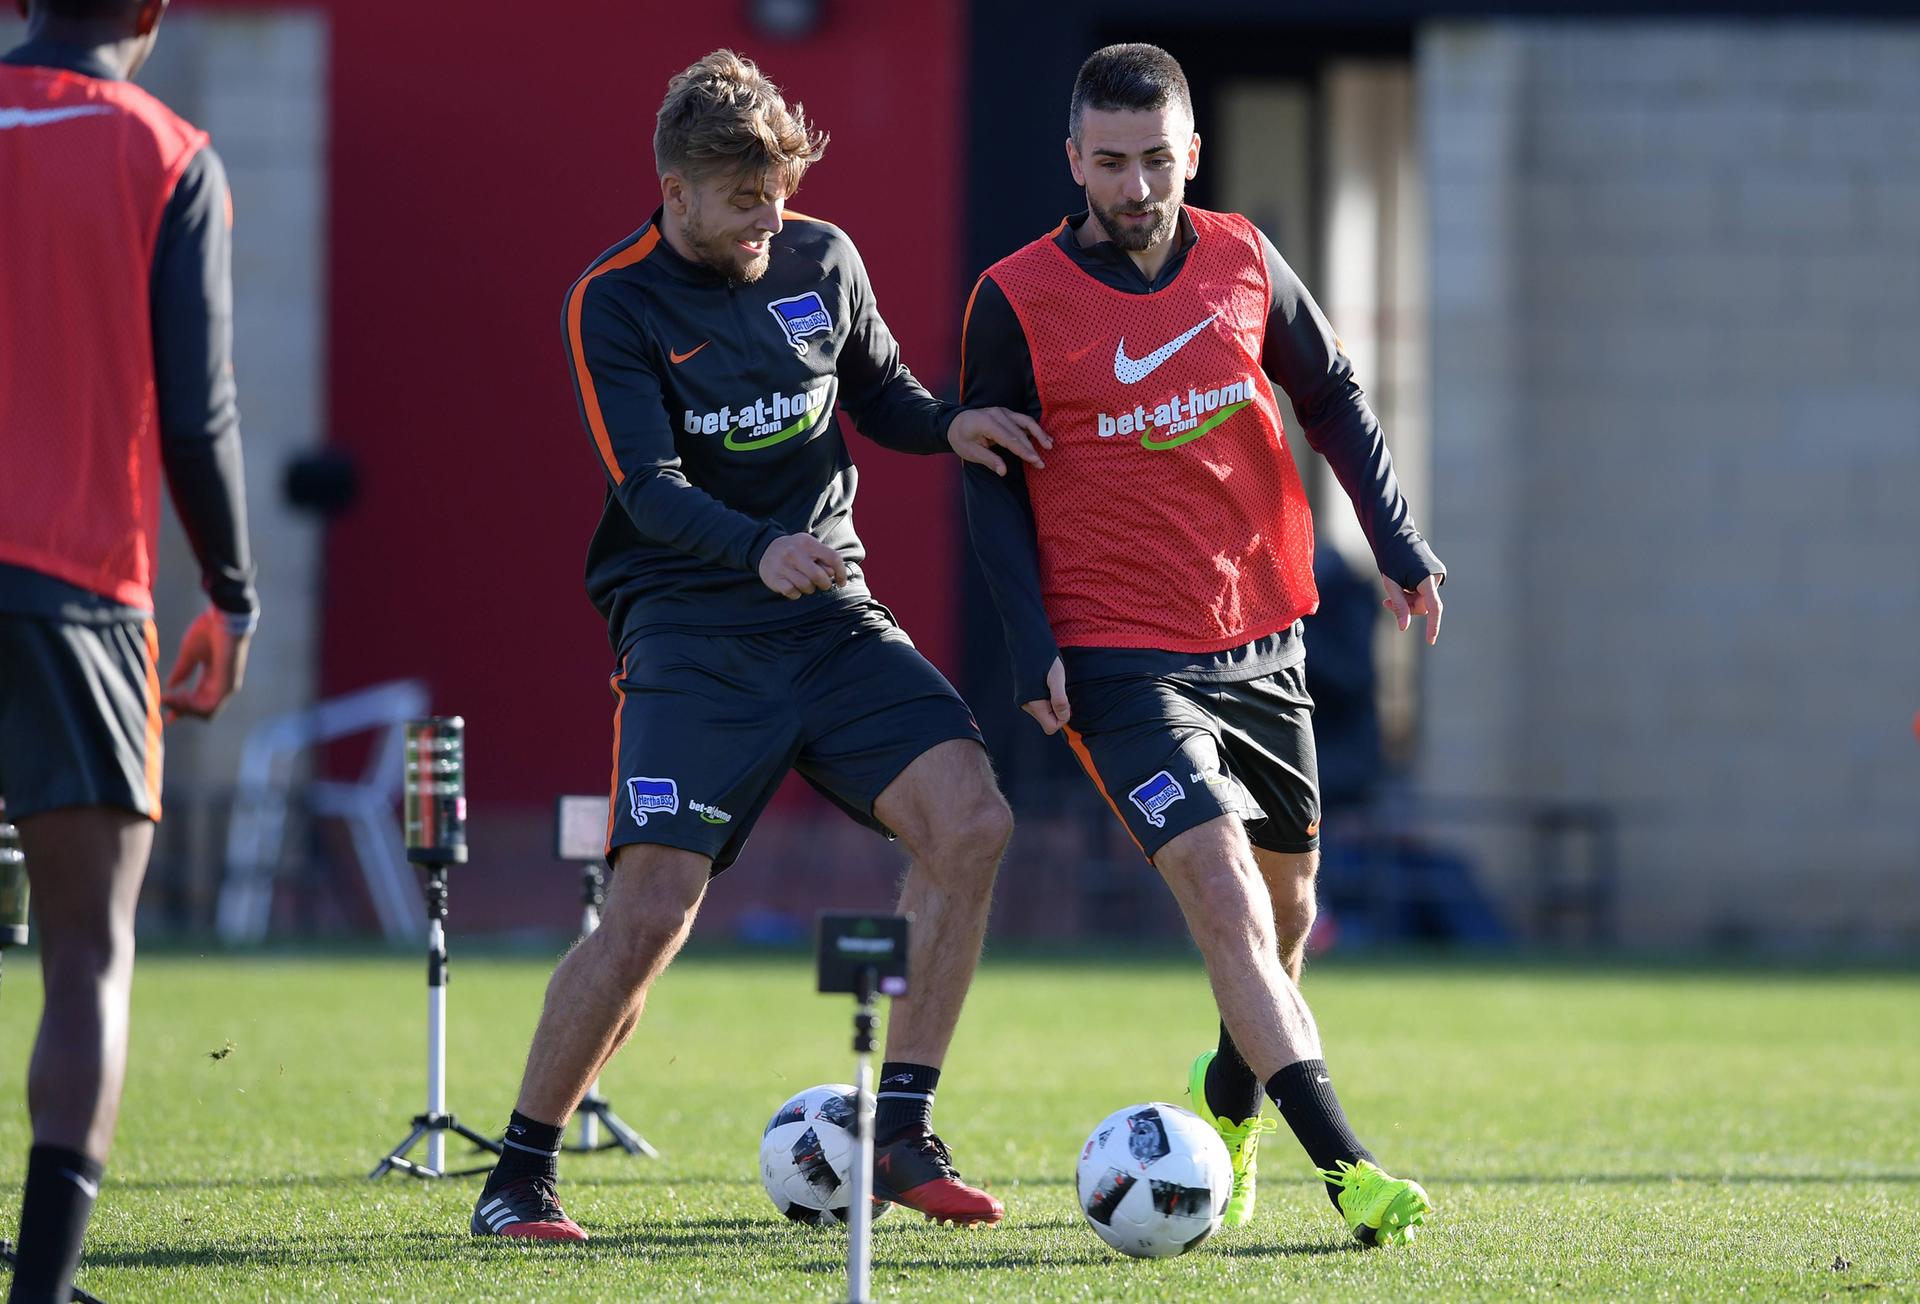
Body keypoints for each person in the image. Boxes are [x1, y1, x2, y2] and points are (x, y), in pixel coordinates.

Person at [469, 49, 1047, 1241]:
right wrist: (757, 548)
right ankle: (518, 1173)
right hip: (692, 631)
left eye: (780, 195)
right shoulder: (612, 301)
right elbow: (645, 486)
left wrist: (953, 424)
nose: (768, 221)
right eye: (744, 200)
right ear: (675, 191)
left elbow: (879, 395)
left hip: (829, 615)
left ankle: (900, 1129)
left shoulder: (823, 258)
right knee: (652, 910)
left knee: (972, 819)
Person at [962, 43, 1442, 1247]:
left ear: (1192, 153)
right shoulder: (1016, 299)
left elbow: (1331, 396)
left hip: (1263, 635)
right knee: (1225, 894)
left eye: (1155, 160)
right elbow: (990, 485)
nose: (1134, 186)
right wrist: (1031, 643)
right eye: (1109, 163)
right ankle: (1351, 1170)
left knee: (1288, 914)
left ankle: (1224, 1103)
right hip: (1119, 657)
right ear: (1073, 160)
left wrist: (1397, 541)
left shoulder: (1243, 258)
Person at [0, 0, 259, 1298]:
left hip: (69, 585)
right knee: (86, 953)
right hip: (76, 589)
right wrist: (234, 594)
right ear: (151, 8)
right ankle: (40, 1287)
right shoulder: (165, 152)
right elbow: (201, 415)